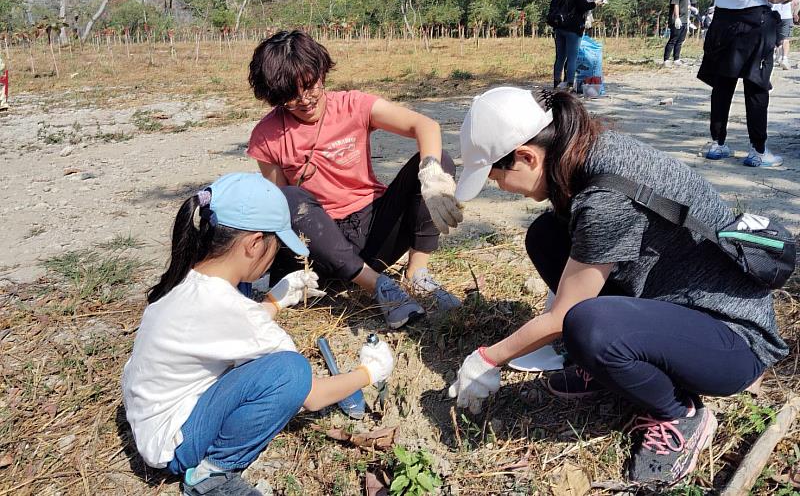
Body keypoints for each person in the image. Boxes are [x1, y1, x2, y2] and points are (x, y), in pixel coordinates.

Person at [447, 86, 787, 487]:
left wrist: (487, 359)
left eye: (496, 176)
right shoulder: (589, 150)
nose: (500, 187)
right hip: (678, 305)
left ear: (527, 156)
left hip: (733, 341)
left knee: (586, 325)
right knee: (546, 234)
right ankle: (614, 365)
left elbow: (562, 317)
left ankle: (680, 413)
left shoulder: (605, 198)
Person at [122, 173, 395, 496]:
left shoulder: (188, 276)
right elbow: (311, 395)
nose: (274, 255)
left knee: (269, 353)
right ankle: (212, 475)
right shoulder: (235, 310)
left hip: (150, 416)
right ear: (253, 244)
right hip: (173, 444)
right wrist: (369, 372)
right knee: (290, 371)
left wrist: (275, 301)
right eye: (275, 245)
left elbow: (224, 327)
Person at [246, 30, 464, 330]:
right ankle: (380, 288)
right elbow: (282, 213)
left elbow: (424, 125)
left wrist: (432, 175)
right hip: (323, 245)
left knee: (440, 160)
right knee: (286, 199)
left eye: (310, 86)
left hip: (374, 230)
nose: (305, 99)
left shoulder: (353, 105)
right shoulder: (266, 136)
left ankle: (417, 274)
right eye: (290, 96)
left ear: (322, 72)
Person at [698, 0, 795, 167]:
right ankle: (758, 151)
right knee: (756, 87)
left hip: (722, 22)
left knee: (722, 86)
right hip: (755, 24)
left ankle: (717, 144)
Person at [552, 0, 607, 89]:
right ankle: (570, 85)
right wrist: (595, 3)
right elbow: (582, 6)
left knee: (560, 57)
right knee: (572, 57)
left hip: (560, 26)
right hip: (573, 26)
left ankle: (556, 83)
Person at [772, 0, 799, 70]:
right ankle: (784, 59)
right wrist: (794, 12)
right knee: (785, 38)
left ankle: (772, 57)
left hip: (772, 13)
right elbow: (796, 1)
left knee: (772, 37)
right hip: (786, 14)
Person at [662, 0, 692, 66]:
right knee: (673, 39)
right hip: (677, 20)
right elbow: (675, 4)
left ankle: (676, 59)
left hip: (684, 20)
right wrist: (677, 17)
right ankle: (666, 60)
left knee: (680, 41)